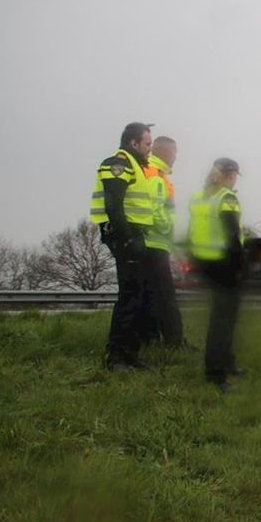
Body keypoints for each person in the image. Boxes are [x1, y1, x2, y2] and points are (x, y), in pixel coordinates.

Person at [89, 122, 155, 371]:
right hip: (125, 236)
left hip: (136, 236)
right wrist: (126, 238)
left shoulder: (136, 166)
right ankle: (116, 356)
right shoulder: (118, 163)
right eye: (147, 143)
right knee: (129, 295)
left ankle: (130, 354)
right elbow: (114, 205)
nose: (150, 148)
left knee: (137, 295)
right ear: (133, 143)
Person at [188, 158, 245, 391]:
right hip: (225, 266)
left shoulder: (199, 197)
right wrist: (241, 265)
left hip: (205, 263)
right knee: (223, 321)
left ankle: (227, 362)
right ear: (230, 175)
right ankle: (216, 373)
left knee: (221, 316)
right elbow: (232, 236)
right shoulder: (227, 197)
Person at [139, 135, 187, 347]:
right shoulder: (157, 175)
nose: (176, 157)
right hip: (155, 243)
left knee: (149, 295)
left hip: (145, 243)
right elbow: (157, 209)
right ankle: (175, 341)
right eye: (175, 152)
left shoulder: (147, 170)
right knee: (167, 297)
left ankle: (149, 337)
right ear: (166, 152)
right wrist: (167, 229)